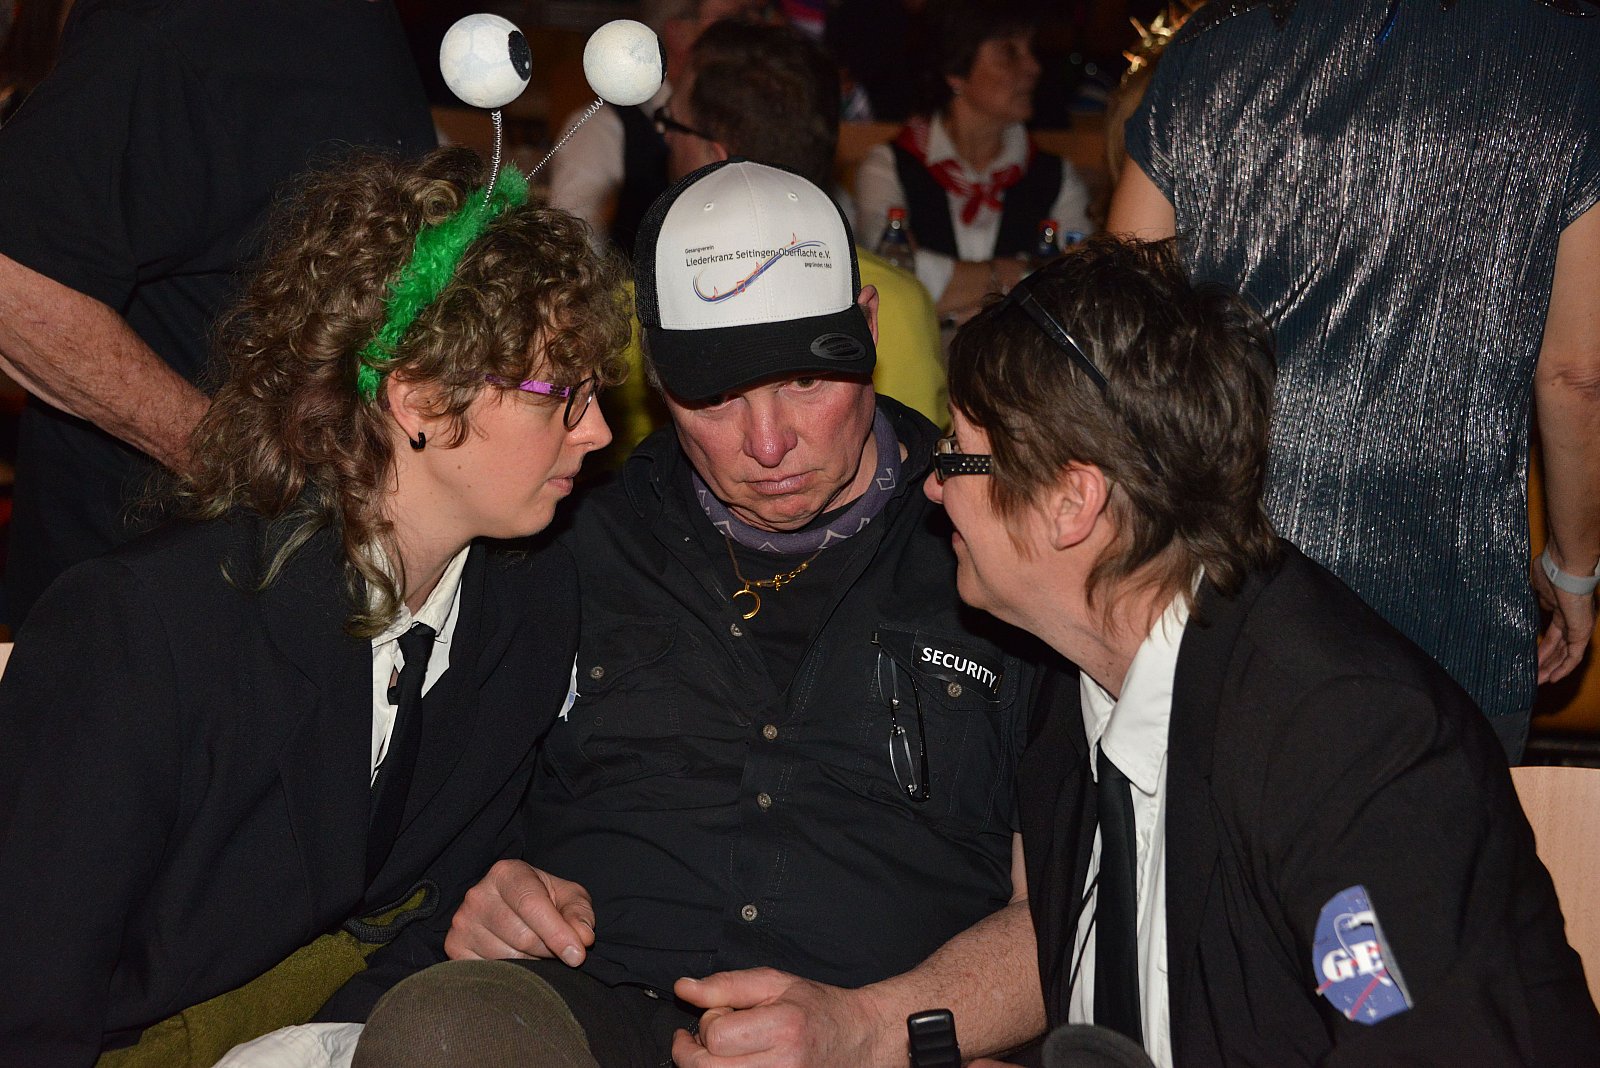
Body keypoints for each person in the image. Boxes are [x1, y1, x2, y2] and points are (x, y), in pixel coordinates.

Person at [343, 160, 1044, 1068]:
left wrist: (872, 1029)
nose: (768, 443)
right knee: (446, 1033)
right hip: (590, 1016)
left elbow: (1071, 912)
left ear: (867, 328)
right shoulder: (571, 540)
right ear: (655, 376)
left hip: (882, 1032)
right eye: (714, 397)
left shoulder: (996, 550)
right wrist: (490, 894)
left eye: (805, 382)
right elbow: (438, 832)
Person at [0, 147, 630, 1068]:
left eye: (596, 392)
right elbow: (28, 1001)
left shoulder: (527, 604)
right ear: (418, 396)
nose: (599, 430)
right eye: (559, 396)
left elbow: (424, 916)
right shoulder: (142, 630)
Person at [925, 238, 1600, 1068]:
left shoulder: (1348, 738)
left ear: (1072, 502)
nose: (934, 484)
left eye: (957, 451)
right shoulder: (1077, 691)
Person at [1105, 0, 1600, 760]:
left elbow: (1121, 333)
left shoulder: (1213, 41)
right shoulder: (1568, 53)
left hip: (1224, 590)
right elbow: (1576, 374)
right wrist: (1573, 568)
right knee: (1436, 831)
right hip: (1449, 604)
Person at [0, 0, 436, 631]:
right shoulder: (194, 23)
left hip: (290, 575)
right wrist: (241, 464)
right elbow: (15, 278)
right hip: (148, 596)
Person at [603, 16, 947, 456]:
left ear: (719, 159)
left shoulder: (635, 314)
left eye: (672, 123)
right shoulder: (905, 296)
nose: (667, 139)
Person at [853, 0, 1091, 323]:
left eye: (1030, 50)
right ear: (955, 71)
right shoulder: (888, 165)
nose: (1033, 66)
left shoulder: (1057, 175)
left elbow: (1075, 285)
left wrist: (945, 282)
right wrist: (1021, 272)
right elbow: (889, 278)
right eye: (1009, 52)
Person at [546, 0, 772, 259]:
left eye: (761, 12)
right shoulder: (603, 126)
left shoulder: (764, 109)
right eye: (736, 18)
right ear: (678, 31)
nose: (759, 26)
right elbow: (571, 247)